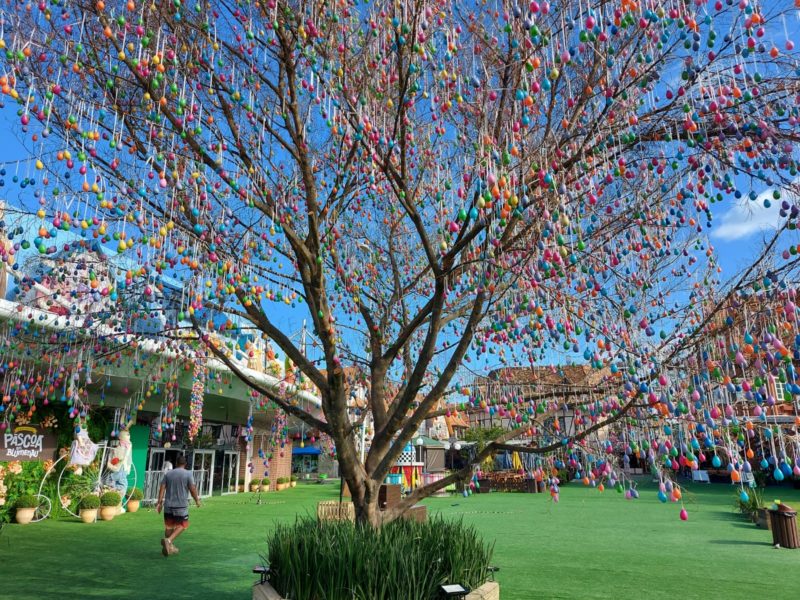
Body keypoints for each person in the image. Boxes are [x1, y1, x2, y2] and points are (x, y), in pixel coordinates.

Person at [156, 454, 201, 556]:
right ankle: (169, 540)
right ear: (185, 464)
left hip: (168, 505)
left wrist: (159, 503)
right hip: (180, 505)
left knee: (169, 527)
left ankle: (170, 547)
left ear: (176, 463)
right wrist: (197, 500)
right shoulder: (188, 474)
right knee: (183, 525)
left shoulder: (168, 474)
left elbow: (162, 488)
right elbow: (192, 488)